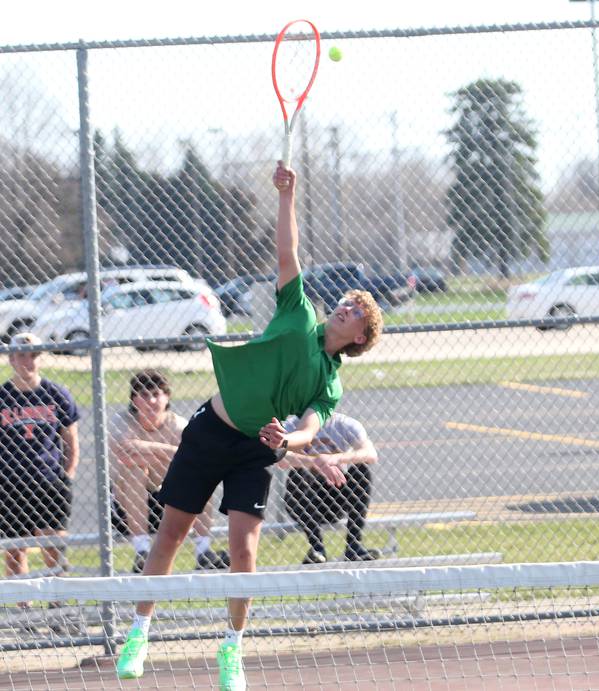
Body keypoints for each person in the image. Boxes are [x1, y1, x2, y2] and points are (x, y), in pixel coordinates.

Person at [116, 161, 384, 691]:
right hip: (210, 430)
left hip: (255, 451)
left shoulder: (328, 381)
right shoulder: (298, 311)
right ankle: (140, 631)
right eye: (348, 301)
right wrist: (288, 195)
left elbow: (310, 426)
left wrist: (289, 440)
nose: (347, 305)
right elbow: (289, 254)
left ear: (358, 338)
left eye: (356, 311)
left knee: (244, 551)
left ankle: (232, 650)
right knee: (169, 534)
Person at [109, 370, 230, 573]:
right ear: (133, 400)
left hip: (169, 503)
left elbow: (195, 458)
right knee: (134, 469)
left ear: (167, 397)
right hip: (125, 509)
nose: (151, 401)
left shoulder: (179, 425)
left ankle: (204, 551)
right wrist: (171, 452)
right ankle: (142, 551)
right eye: (144, 395)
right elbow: (125, 454)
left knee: (200, 475)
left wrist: (146, 448)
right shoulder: (121, 421)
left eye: (156, 394)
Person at [0, 333, 79, 602]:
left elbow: (71, 442)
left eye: (34, 354)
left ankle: (60, 607)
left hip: (48, 481)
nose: (28, 360)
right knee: (14, 552)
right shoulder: (3, 396)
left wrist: (67, 476)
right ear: (11, 358)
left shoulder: (56, 394)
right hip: (9, 484)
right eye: (22, 354)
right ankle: (24, 614)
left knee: (53, 547)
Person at [280, 412, 380, 565]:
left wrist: (336, 458)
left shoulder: (344, 424)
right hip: (307, 497)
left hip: (337, 493)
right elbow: (279, 457)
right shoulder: (292, 425)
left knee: (361, 470)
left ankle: (354, 546)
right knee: (296, 474)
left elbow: (370, 454)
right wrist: (314, 462)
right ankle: (317, 549)